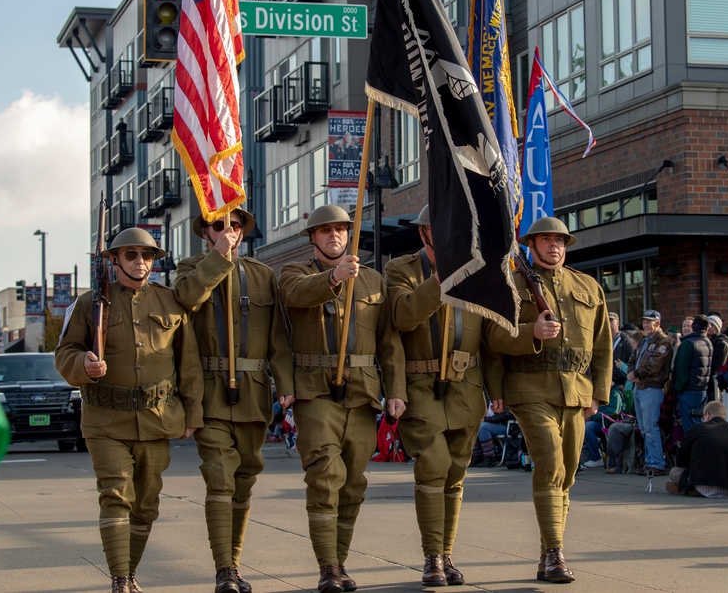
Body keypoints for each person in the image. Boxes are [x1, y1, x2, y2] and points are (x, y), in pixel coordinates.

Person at [55, 228, 203, 593]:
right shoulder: (90, 303)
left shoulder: (171, 303)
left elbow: (189, 364)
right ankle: (120, 579)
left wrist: (192, 413)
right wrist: (83, 365)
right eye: (132, 255)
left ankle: (130, 571)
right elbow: (64, 353)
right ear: (114, 260)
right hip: (105, 420)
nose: (140, 262)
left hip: (157, 418)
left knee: (147, 504)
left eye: (147, 256)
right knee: (116, 494)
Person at [278, 205, 406, 593]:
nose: (334, 235)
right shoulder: (293, 273)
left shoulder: (372, 280)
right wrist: (334, 277)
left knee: (353, 483)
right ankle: (328, 567)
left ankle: (341, 560)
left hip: (362, 393)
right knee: (325, 475)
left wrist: (395, 389)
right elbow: (297, 296)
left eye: (340, 230)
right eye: (325, 231)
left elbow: (390, 341)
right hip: (315, 391)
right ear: (313, 238)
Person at [484, 217, 612, 584]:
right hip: (528, 387)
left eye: (559, 240)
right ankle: (556, 553)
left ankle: (546, 556)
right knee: (551, 463)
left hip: (575, 389)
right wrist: (531, 333)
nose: (554, 246)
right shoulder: (512, 284)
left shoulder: (587, 285)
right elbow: (493, 337)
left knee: (567, 474)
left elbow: (602, 343)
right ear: (532, 245)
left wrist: (599, 392)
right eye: (545, 240)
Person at [173, 208, 294, 593]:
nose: (229, 231)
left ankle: (235, 562)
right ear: (205, 232)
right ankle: (223, 569)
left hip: (253, 392)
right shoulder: (190, 268)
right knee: (220, 478)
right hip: (209, 391)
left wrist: (285, 384)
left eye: (235, 226)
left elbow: (277, 338)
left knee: (244, 477)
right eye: (219, 225)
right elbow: (187, 299)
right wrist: (217, 259)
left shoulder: (262, 275)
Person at [384, 204, 498, 587]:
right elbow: (402, 317)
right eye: (443, 226)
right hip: (420, 385)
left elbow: (489, 337)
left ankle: (446, 555)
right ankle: (432, 557)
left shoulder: (477, 266)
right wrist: (441, 277)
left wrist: (495, 390)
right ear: (425, 233)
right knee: (432, 466)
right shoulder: (401, 269)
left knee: (454, 475)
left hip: (466, 388)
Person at [666, 401, 728, 498]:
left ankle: (683, 489)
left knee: (674, 472)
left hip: (701, 486)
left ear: (708, 415)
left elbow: (681, 457)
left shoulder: (698, 429)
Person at [627, 310, 673, 475]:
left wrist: (636, 374)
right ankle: (649, 461)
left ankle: (656, 463)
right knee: (644, 428)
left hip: (652, 389)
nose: (645, 325)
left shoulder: (663, 342)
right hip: (639, 388)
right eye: (644, 322)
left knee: (651, 427)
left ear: (658, 323)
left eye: (649, 322)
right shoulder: (644, 341)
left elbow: (655, 365)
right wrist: (632, 372)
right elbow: (632, 359)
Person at [672, 315, 712, 432]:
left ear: (694, 326)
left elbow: (681, 369)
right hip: (702, 389)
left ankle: (693, 450)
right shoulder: (708, 342)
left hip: (688, 391)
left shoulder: (687, 344)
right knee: (699, 424)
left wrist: (677, 388)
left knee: (690, 428)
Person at [706, 315, 728, 400]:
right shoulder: (705, 342)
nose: (709, 327)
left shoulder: (721, 344)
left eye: (712, 325)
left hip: (713, 387)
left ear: (717, 328)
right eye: (707, 324)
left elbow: (718, 367)